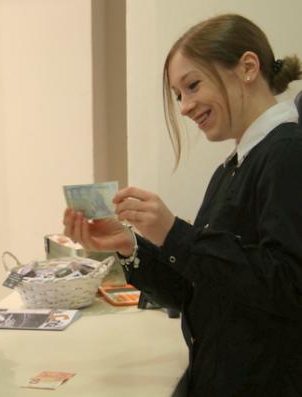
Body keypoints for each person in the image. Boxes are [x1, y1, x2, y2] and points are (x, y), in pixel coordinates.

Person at [64, 14, 302, 397]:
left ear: (247, 67)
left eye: (192, 86)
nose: (186, 107)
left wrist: (176, 234)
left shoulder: (288, 153)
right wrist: (130, 244)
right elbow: (199, 291)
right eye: (179, 95)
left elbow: (289, 286)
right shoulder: (234, 167)